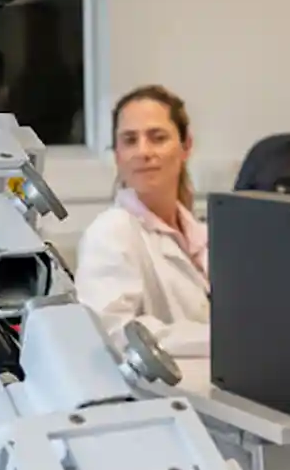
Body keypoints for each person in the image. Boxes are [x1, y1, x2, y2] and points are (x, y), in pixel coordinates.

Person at [75, 84, 210, 356]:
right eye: (129, 140)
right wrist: (221, 339)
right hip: (159, 395)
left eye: (157, 137)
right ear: (117, 155)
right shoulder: (111, 232)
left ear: (186, 147)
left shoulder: (203, 234)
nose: (143, 151)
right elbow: (115, 333)